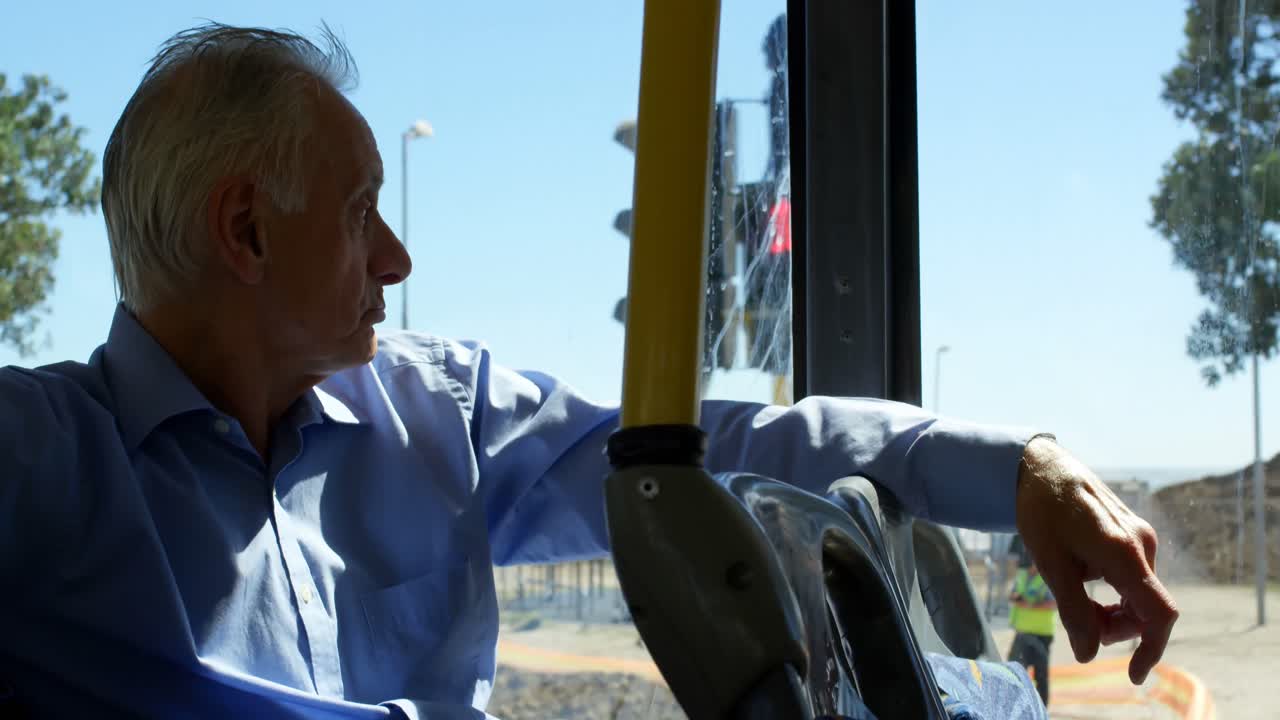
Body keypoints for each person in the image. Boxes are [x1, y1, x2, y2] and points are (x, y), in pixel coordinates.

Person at [0, 23, 1177, 719]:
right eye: (362, 215)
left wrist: (1013, 466)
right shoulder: (39, 470)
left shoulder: (439, 417)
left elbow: (708, 447)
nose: (398, 260)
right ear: (247, 231)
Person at [1008, 539, 1059, 706]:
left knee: (1040, 675)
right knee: (1013, 670)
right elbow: (1014, 593)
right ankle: (1016, 705)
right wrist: (1015, 598)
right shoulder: (1022, 575)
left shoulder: (1048, 578)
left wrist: (1029, 604)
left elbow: (1053, 604)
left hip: (1041, 633)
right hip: (1022, 631)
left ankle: (1042, 708)